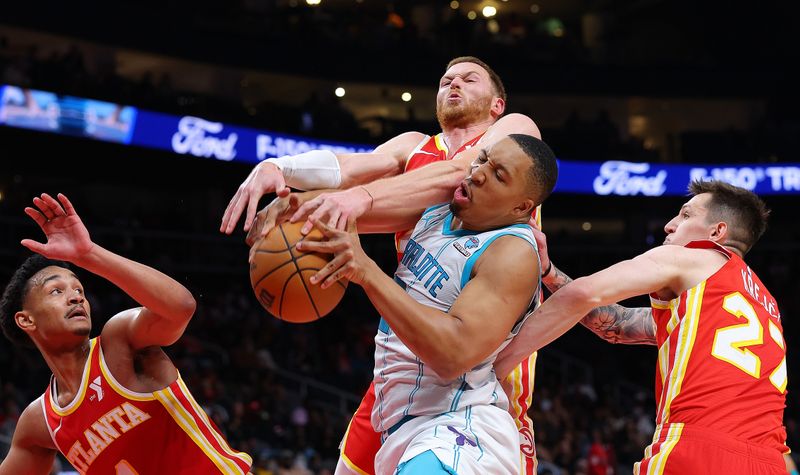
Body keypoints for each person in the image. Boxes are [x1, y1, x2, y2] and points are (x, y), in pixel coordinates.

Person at [222, 57, 543, 475]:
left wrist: (361, 199)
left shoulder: (511, 139)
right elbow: (352, 169)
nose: (453, 84)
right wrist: (281, 172)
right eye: (446, 79)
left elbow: (455, 173)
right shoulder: (413, 147)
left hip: (482, 364)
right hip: (406, 349)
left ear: (497, 104)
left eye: (468, 79)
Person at [298, 134, 559, 474]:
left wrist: (366, 271)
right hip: (401, 427)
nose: (478, 173)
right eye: (483, 159)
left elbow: (452, 354)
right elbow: (349, 207)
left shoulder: (512, 252)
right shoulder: (439, 210)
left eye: (498, 175)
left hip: (459, 430)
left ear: (522, 207)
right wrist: (292, 204)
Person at [495, 180, 788, 474]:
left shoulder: (692, 257)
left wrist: (495, 370)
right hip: (771, 461)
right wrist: (549, 273)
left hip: (699, 446)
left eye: (686, 216)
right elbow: (617, 325)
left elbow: (583, 294)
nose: (670, 226)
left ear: (716, 232)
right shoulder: (765, 304)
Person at [0, 193, 252, 475]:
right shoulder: (40, 423)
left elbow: (181, 308)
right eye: (57, 291)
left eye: (79, 290)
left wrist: (88, 255)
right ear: (25, 319)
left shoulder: (117, 342)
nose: (75, 298)